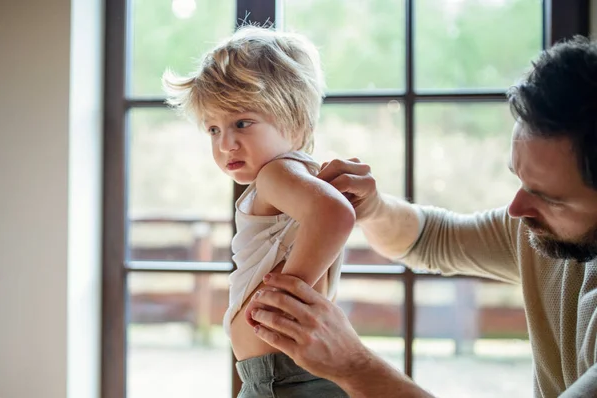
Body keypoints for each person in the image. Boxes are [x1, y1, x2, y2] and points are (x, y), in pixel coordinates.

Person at [246, 35, 597, 398]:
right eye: (519, 178)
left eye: (548, 197)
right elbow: (432, 238)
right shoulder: (541, 231)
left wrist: (355, 366)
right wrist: (374, 208)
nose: (516, 209)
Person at [162, 26, 355, 397]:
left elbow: (335, 215)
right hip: (280, 375)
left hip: (282, 378)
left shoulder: (276, 174)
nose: (226, 143)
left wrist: (282, 300)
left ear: (295, 121)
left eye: (242, 123)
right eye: (213, 129)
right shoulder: (291, 176)